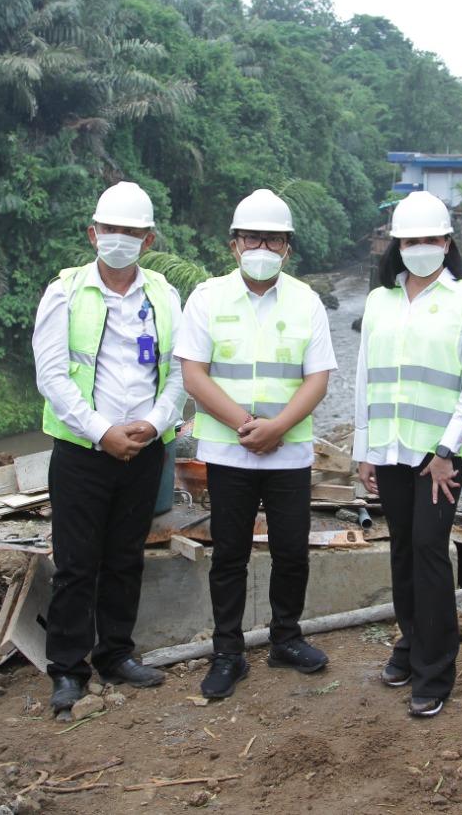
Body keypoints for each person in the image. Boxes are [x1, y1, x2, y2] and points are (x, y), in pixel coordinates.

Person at [175, 188, 337, 700]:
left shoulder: (307, 301)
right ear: (234, 245)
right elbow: (194, 376)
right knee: (229, 554)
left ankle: (286, 638)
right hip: (229, 453)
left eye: (273, 239)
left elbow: (317, 379)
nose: (262, 247)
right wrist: (249, 424)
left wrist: (278, 428)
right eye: (253, 238)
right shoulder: (207, 298)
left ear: (287, 248)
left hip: (288, 453)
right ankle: (228, 652)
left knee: (292, 552)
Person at [32, 181, 187, 713]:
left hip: (145, 448)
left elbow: (179, 374)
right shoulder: (65, 293)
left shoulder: (165, 295)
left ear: (148, 240)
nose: (119, 239)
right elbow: (52, 375)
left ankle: (115, 653)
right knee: (76, 563)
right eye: (110, 230)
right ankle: (68, 669)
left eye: (131, 232)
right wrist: (102, 431)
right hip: (82, 451)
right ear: (93, 233)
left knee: (125, 557)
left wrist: (153, 423)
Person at [355, 191, 462, 718]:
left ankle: (436, 672)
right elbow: (366, 379)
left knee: (431, 552)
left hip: (440, 457)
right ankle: (410, 645)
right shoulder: (379, 301)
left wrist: (445, 451)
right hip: (389, 451)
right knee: (402, 551)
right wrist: (363, 450)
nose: (420, 248)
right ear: (397, 245)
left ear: (447, 243)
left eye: (430, 240)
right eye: (410, 241)